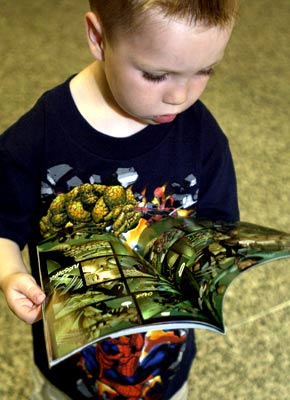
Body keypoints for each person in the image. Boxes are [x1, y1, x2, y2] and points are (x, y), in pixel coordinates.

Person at [0, 0, 240, 399]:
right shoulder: (37, 136)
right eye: (156, 74)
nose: (180, 96)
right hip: (71, 372)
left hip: (165, 366)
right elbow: (3, 226)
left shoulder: (202, 135)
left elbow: (218, 226)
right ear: (98, 38)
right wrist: (10, 274)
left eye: (205, 70)